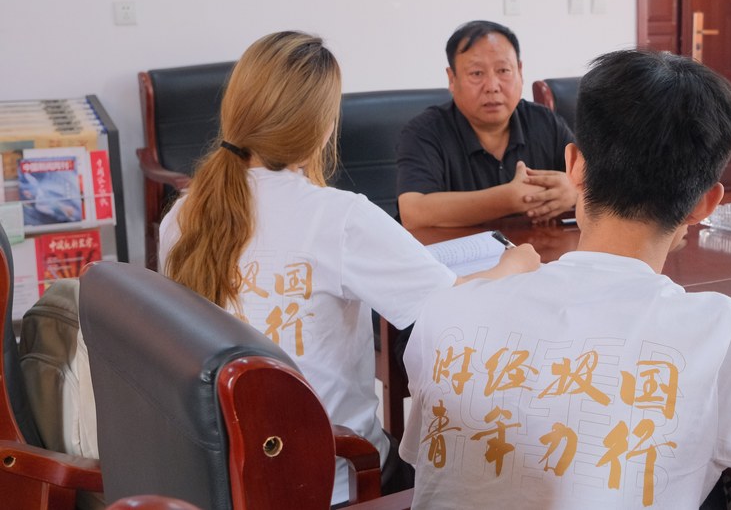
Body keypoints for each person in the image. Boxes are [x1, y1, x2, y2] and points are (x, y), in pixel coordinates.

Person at [399, 50, 731, 509]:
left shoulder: (450, 311)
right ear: (706, 203)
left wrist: (499, 276)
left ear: (575, 166)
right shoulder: (717, 337)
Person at [159, 31, 539, 508]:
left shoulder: (183, 215)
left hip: (220, 477)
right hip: (333, 478)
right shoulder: (337, 218)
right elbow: (450, 305)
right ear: (323, 127)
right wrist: (513, 264)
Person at [397, 20, 576, 228]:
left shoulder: (545, 122)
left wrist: (575, 191)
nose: (492, 86)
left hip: (541, 248)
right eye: (477, 73)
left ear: (520, 71)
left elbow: (595, 183)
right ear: (452, 79)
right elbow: (413, 212)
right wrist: (507, 199)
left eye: (503, 70)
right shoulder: (424, 132)